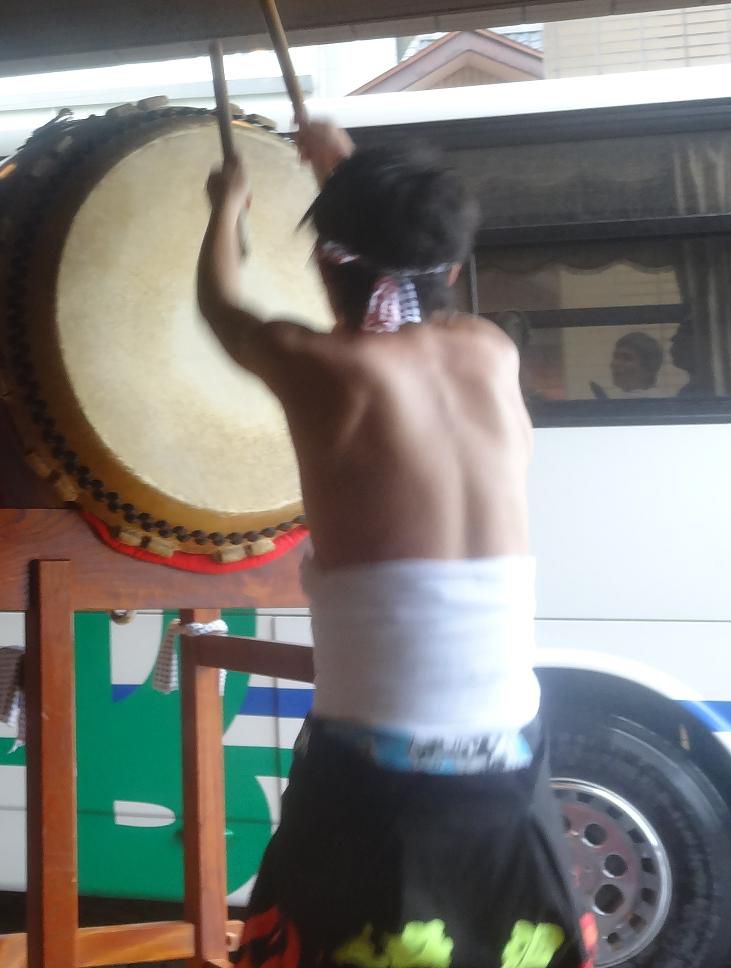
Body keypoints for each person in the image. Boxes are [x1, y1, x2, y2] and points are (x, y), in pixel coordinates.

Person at [197, 123, 592, 968]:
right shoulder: (491, 353)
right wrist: (347, 170)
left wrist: (225, 206)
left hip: (380, 779)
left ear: (325, 262)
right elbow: (391, 262)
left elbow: (222, 307)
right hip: (510, 760)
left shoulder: (321, 367)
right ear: (451, 267)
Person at [590, 330, 663, 400]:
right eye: (615, 357)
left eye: (627, 358)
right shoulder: (623, 398)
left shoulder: (657, 403)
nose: (615, 364)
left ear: (649, 369)